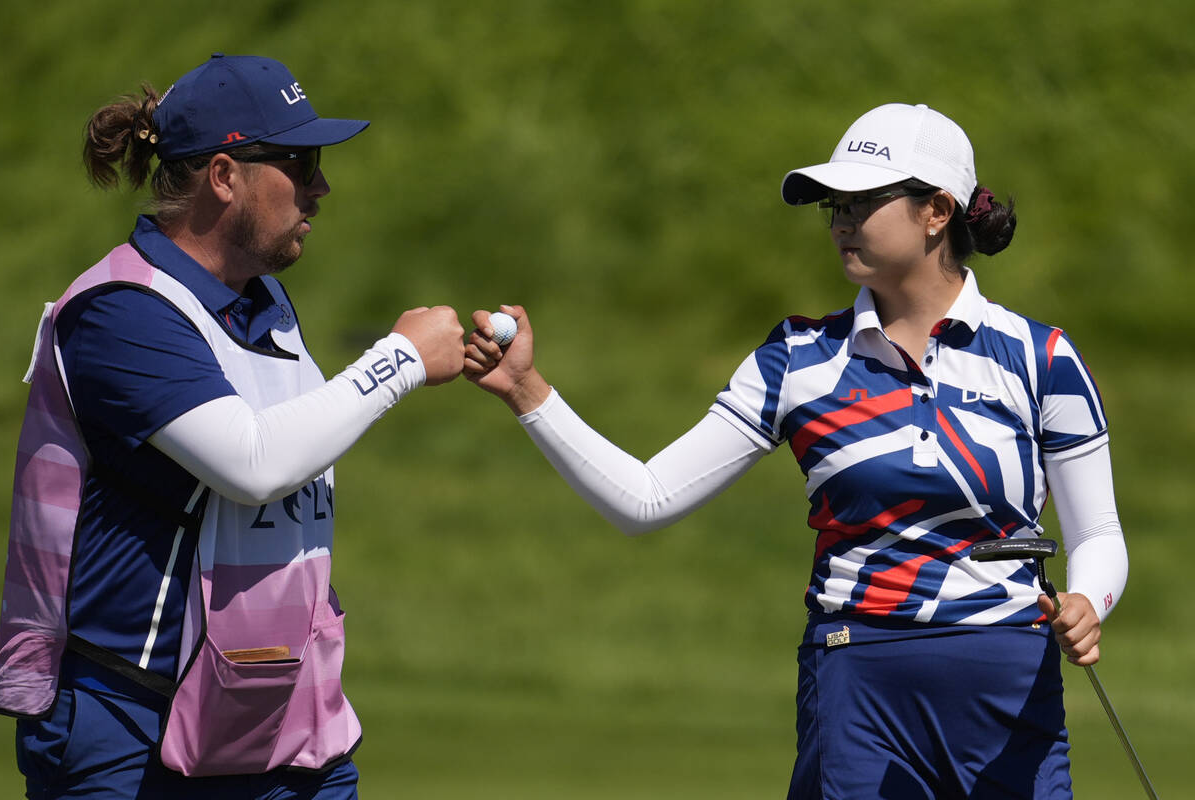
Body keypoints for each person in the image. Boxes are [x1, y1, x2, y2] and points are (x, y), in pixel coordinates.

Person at [464, 103, 1129, 798]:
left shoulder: (1041, 357)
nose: (841, 218)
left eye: (864, 201)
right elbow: (647, 499)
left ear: (938, 210)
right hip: (857, 684)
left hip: (1007, 689)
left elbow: (1099, 533)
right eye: (833, 204)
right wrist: (526, 391)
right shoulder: (798, 358)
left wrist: (1087, 600)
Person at [0, 53, 465, 798]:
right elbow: (252, 465)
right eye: (300, 163)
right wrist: (400, 360)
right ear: (224, 176)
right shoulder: (123, 311)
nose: (321, 187)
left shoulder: (265, 299)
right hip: (130, 727)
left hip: (278, 711)